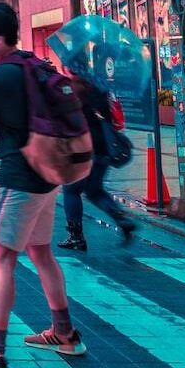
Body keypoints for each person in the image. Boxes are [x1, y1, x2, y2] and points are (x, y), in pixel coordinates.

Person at [0, 0, 86, 368]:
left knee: (1, 260)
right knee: (41, 252)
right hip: (48, 176)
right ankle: (63, 332)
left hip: (17, 181)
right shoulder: (34, 64)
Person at [57, 71, 137, 250]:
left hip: (81, 149)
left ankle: (75, 235)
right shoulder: (100, 90)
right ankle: (120, 217)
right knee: (94, 190)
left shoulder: (72, 90)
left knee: (71, 191)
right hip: (103, 148)